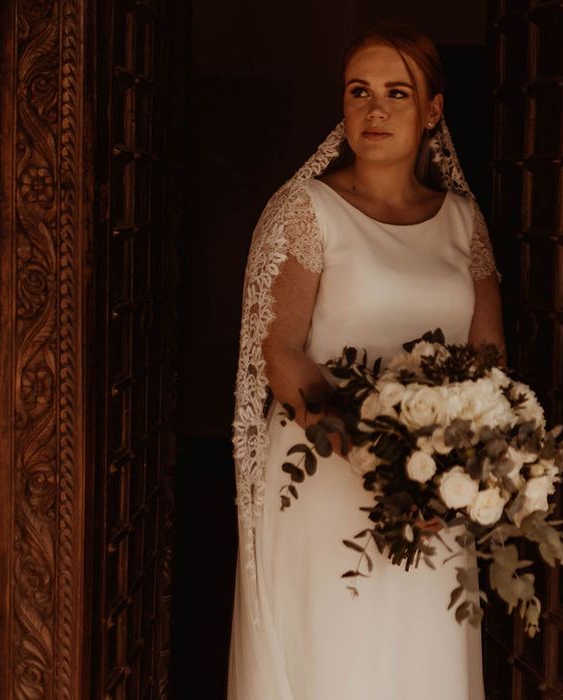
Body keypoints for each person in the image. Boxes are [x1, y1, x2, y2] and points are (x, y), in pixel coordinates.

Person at [228, 23, 505, 700]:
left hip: (436, 490)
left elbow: (487, 358)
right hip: (325, 477)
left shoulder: (464, 222)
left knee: (421, 655)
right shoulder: (307, 210)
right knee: (339, 658)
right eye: (359, 92)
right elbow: (280, 349)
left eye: (396, 92)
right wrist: (370, 456)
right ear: (343, 107)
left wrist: (455, 466)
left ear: (433, 110)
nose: (375, 110)